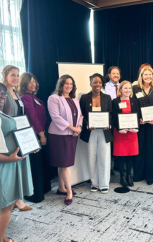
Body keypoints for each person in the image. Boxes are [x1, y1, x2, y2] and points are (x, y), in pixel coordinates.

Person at [0, 79, 33, 242]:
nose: (2, 96)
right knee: (6, 204)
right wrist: (8, 158)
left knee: (1, 203)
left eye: (4, 93)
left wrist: (28, 145)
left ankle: (1, 237)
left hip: (6, 164)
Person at [47, 74, 83, 205]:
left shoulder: (74, 99)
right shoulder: (54, 98)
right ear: (61, 84)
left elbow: (80, 116)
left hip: (72, 135)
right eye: (66, 83)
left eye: (71, 84)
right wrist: (72, 128)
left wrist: (78, 127)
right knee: (64, 164)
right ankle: (68, 191)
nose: (69, 86)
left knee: (63, 163)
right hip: (59, 136)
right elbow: (55, 117)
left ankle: (61, 188)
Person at [1, 65, 32, 211]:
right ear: (5, 76)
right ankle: (12, 201)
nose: (16, 78)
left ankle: (18, 199)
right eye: (13, 75)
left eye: (17, 75)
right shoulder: (2, 94)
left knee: (19, 165)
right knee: (11, 168)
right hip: (8, 136)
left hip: (19, 134)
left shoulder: (16, 93)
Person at [19, 72, 51, 203]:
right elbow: (32, 117)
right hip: (34, 134)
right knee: (36, 164)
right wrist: (41, 134)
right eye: (30, 81)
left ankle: (43, 189)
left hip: (39, 132)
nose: (33, 84)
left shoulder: (33, 97)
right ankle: (35, 194)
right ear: (24, 83)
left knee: (41, 163)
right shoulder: (25, 97)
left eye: (34, 81)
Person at [80, 73, 112, 193]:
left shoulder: (107, 98)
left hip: (105, 132)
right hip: (91, 132)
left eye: (99, 82)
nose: (97, 84)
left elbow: (111, 114)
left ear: (102, 84)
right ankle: (94, 183)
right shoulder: (84, 98)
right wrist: (87, 123)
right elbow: (81, 115)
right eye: (95, 82)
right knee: (92, 157)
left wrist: (109, 123)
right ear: (90, 83)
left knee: (104, 157)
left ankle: (104, 183)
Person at [133, 66, 153, 185]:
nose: (148, 77)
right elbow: (133, 106)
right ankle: (139, 174)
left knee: (152, 149)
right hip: (140, 124)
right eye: (146, 75)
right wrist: (137, 119)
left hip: (152, 125)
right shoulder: (135, 89)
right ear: (141, 76)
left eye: (150, 75)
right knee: (140, 149)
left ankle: (152, 176)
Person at [112, 81, 139, 187]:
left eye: (129, 88)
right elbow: (113, 117)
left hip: (131, 133)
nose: (128, 90)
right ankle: (122, 177)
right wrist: (119, 129)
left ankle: (129, 176)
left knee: (130, 156)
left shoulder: (134, 101)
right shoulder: (115, 101)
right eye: (125, 88)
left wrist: (136, 128)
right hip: (120, 133)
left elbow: (137, 116)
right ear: (120, 89)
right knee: (121, 156)